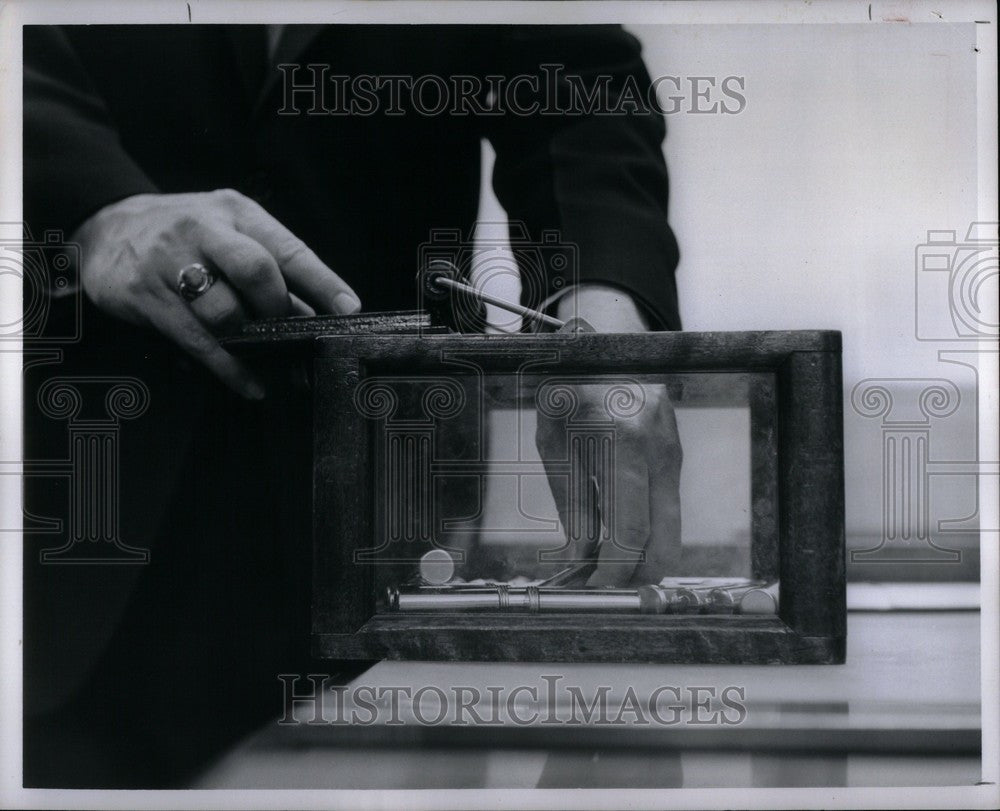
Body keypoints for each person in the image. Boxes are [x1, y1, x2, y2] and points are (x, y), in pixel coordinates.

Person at [22, 23, 682, 786]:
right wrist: (96, 205)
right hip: (68, 534)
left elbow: (578, 81)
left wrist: (602, 302)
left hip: (380, 553)